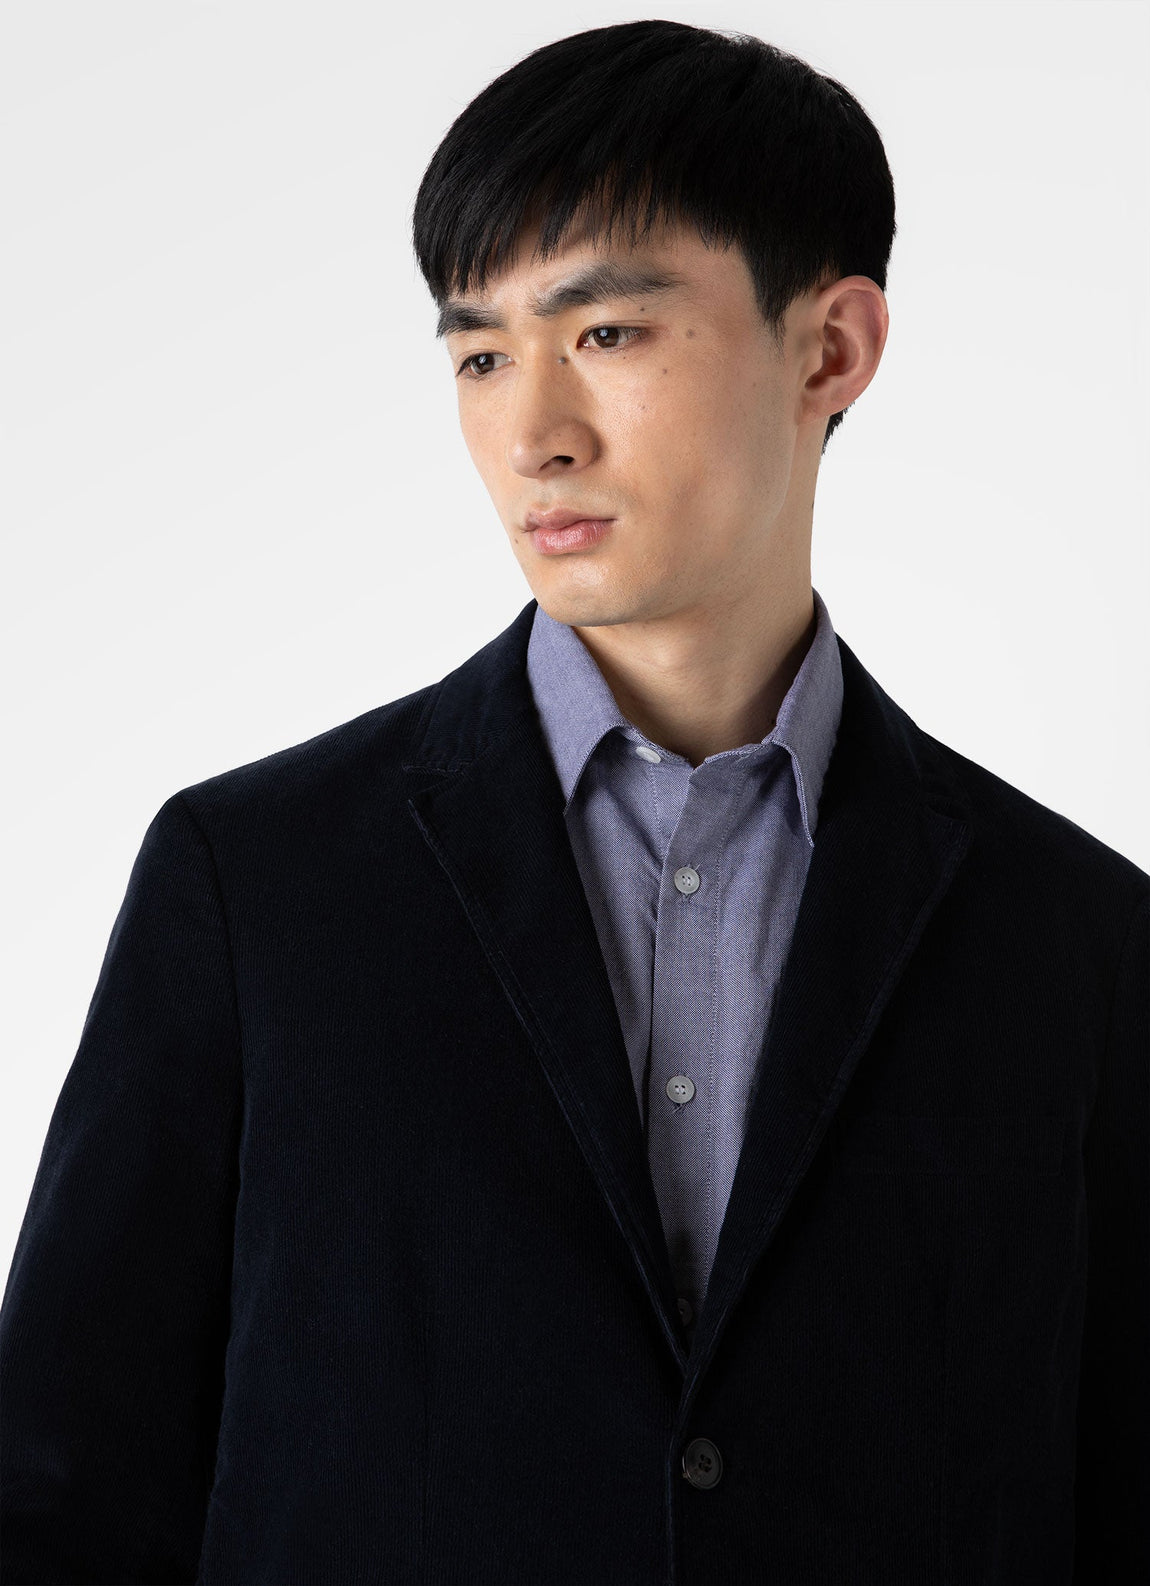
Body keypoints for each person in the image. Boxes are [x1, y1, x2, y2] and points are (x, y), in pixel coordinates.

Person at [1, 19, 1146, 1584]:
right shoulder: (257, 884)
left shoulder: (1074, 937)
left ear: (829, 350)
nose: (531, 433)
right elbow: (67, 1488)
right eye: (480, 355)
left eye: (604, 332)